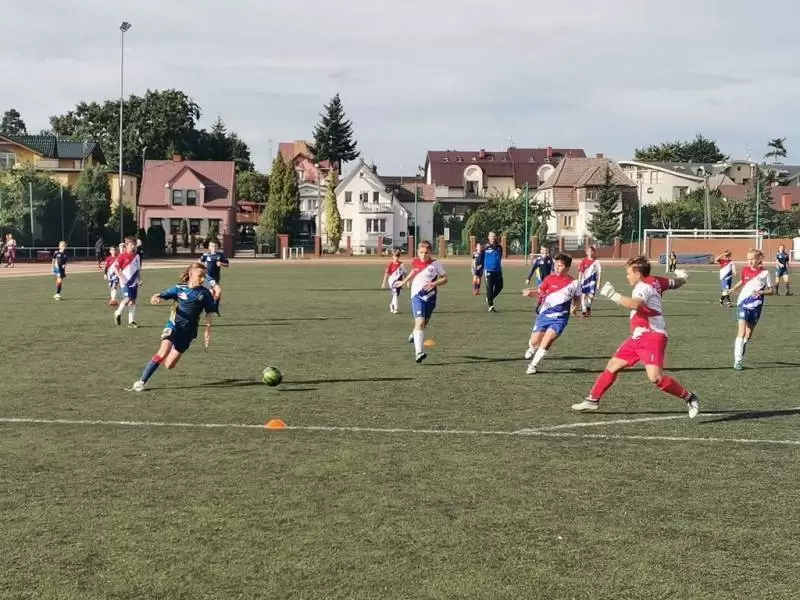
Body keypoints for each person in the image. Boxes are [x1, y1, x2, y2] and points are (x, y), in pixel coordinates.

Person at [572, 256, 700, 418]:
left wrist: (613, 295)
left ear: (638, 274)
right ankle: (592, 400)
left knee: (655, 377)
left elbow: (636, 304)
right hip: (638, 335)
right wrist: (683, 277)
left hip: (652, 335)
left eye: (628, 273)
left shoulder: (643, 287)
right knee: (613, 365)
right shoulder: (656, 281)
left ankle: (689, 397)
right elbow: (675, 283)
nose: (627, 277)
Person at [127, 262, 218, 392]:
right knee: (163, 352)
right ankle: (142, 381)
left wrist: (207, 331)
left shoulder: (204, 293)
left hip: (188, 332)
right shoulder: (178, 289)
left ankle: (172, 349)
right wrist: (155, 298)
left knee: (169, 365)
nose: (203, 279)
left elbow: (209, 312)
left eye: (204, 276)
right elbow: (160, 295)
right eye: (200, 275)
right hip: (173, 326)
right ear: (191, 274)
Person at [522, 253, 581, 374]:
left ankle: (533, 365)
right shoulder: (549, 279)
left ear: (567, 268)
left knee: (547, 341)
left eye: (560, 266)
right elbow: (541, 293)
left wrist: (575, 308)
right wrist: (531, 293)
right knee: (534, 341)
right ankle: (532, 347)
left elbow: (577, 299)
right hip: (544, 314)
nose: (557, 268)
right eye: (556, 265)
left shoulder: (574, 283)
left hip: (560, 318)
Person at [395, 240, 448, 363]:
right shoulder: (415, 262)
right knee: (420, 322)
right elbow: (414, 271)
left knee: (422, 324)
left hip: (431, 298)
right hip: (417, 296)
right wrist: (404, 282)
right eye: (421, 252)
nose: (424, 255)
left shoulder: (435, 264)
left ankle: (414, 334)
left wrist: (434, 284)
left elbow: (445, 279)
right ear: (418, 252)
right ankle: (419, 352)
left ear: (430, 252)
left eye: (426, 252)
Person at [731, 249, 773, 370]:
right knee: (741, 332)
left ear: (758, 259)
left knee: (748, 335)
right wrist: (734, 288)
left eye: (752, 259)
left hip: (756, 307)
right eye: (748, 259)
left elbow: (772, 291)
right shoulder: (745, 270)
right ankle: (738, 361)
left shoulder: (765, 273)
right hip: (742, 304)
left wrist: (761, 292)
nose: (750, 261)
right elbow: (743, 280)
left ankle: (743, 344)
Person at [114, 236, 142, 328]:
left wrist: (139, 279)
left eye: (134, 245)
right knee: (126, 299)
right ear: (126, 245)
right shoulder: (122, 256)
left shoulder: (137, 256)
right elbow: (116, 269)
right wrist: (121, 278)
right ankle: (118, 313)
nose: (133, 246)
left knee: (132, 301)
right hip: (125, 281)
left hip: (134, 282)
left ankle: (131, 321)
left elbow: (138, 270)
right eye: (131, 244)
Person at [199, 241, 229, 313]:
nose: (214, 247)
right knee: (214, 291)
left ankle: (214, 307)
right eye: (212, 246)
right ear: (209, 247)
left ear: (217, 247)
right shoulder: (205, 255)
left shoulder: (220, 255)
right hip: (207, 276)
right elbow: (199, 262)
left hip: (216, 277)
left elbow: (227, 264)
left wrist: (221, 264)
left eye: (215, 246)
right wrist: (202, 265)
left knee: (214, 292)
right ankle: (212, 308)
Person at [479, 232, 503, 311]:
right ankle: (491, 306)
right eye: (491, 236)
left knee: (500, 286)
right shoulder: (485, 247)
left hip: (498, 270)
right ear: (488, 237)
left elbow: (500, 256)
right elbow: (481, 258)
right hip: (488, 270)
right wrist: (481, 267)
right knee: (490, 287)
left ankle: (490, 297)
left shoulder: (499, 247)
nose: (493, 238)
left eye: (494, 236)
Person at [577, 246, 602, 317]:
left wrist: (599, 283)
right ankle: (584, 311)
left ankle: (588, 306)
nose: (590, 253)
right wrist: (579, 282)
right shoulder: (583, 261)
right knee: (583, 296)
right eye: (588, 251)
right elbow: (581, 272)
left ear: (593, 252)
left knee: (591, 296)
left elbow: (599, 273)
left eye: (591, 251)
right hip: (584, 281)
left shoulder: (597, 262)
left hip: (592, 282)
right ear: (586, 252)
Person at [380, 249, 406, 314]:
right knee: (395, 294)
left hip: (399, 282)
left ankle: (391, 305)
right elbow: (386, 273)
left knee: (396, 295)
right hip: (392, 281)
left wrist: (406, 281)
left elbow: (405, 273)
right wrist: (383, 283)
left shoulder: (401, 264)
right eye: (395, 256)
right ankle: (396, 308)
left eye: (397, 256)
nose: (396, 258)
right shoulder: (391, 264)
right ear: (393, 256)